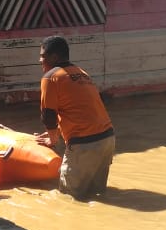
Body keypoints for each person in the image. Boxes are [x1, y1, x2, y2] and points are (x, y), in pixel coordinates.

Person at [35, 35, 115, 201]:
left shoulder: (51, 77)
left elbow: (48, 114)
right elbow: (83, 109)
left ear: (54, 57)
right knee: (99, 196)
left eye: (43, 56)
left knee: (69, 200)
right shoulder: (82, 73)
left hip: (84, 144)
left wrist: (52, 138)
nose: (40, 60)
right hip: (107, 140)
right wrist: (57, 130)